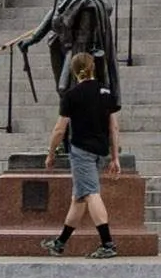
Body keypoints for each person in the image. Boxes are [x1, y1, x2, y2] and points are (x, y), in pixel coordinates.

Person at [44, 35, 125, 256]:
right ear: (92, 68)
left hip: (81, 151)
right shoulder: (106, 92)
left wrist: (51, 153)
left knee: (90, 193)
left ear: (74, 70)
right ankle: (61, 242)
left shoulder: (72, 95)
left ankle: (108, 244)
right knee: (78, 197)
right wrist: (115, 157)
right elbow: (114, 127)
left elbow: (60, 129)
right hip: (100, 151)